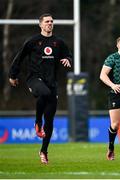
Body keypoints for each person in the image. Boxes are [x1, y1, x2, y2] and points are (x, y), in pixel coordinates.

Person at [9, 13, 72, 164]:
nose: (50, 24)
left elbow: (68, 54)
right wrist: (13, 75)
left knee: (49, 120)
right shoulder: (33, 41)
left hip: (52, 83)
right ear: (40, 24)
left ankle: (43, 151)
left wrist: (68, 59)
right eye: (47, 22)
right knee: (44, 92)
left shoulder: (59, 42)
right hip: (34, 79)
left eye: (51, 21)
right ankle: (37, 122)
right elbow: (20, 57)